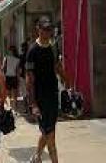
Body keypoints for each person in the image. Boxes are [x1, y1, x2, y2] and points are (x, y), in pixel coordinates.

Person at [27, 17, 69, 163]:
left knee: (48, 131)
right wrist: (33, 104)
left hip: (53, 95)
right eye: (44, 29)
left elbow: (57, 66)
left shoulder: (53, 47)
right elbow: (29, 80)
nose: (47, 32)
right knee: (50, 134)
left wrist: (67, 82)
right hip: (40, 98)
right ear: (38, 29)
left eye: (49, 29)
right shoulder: (32, 51)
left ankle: (37, 156)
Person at [2, 46, 20, 111]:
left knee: (8, 94)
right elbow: (17, 71)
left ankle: (10, 108)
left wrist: (3, 77)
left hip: (8, 77)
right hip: (14, 77)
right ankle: (15, 109)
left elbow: (3, 68)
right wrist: (18, 80)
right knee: (15, 95)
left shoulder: (6, 58)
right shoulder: (17, 59)